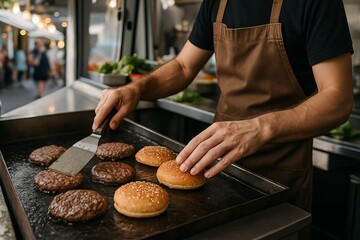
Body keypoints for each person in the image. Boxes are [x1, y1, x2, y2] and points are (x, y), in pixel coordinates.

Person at [92, 0, 353, 212]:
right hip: (218, 167)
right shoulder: (217, 3)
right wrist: (136, 89)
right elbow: (183, 67)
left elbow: (338, 99)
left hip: (280, 172)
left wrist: (259, 127)